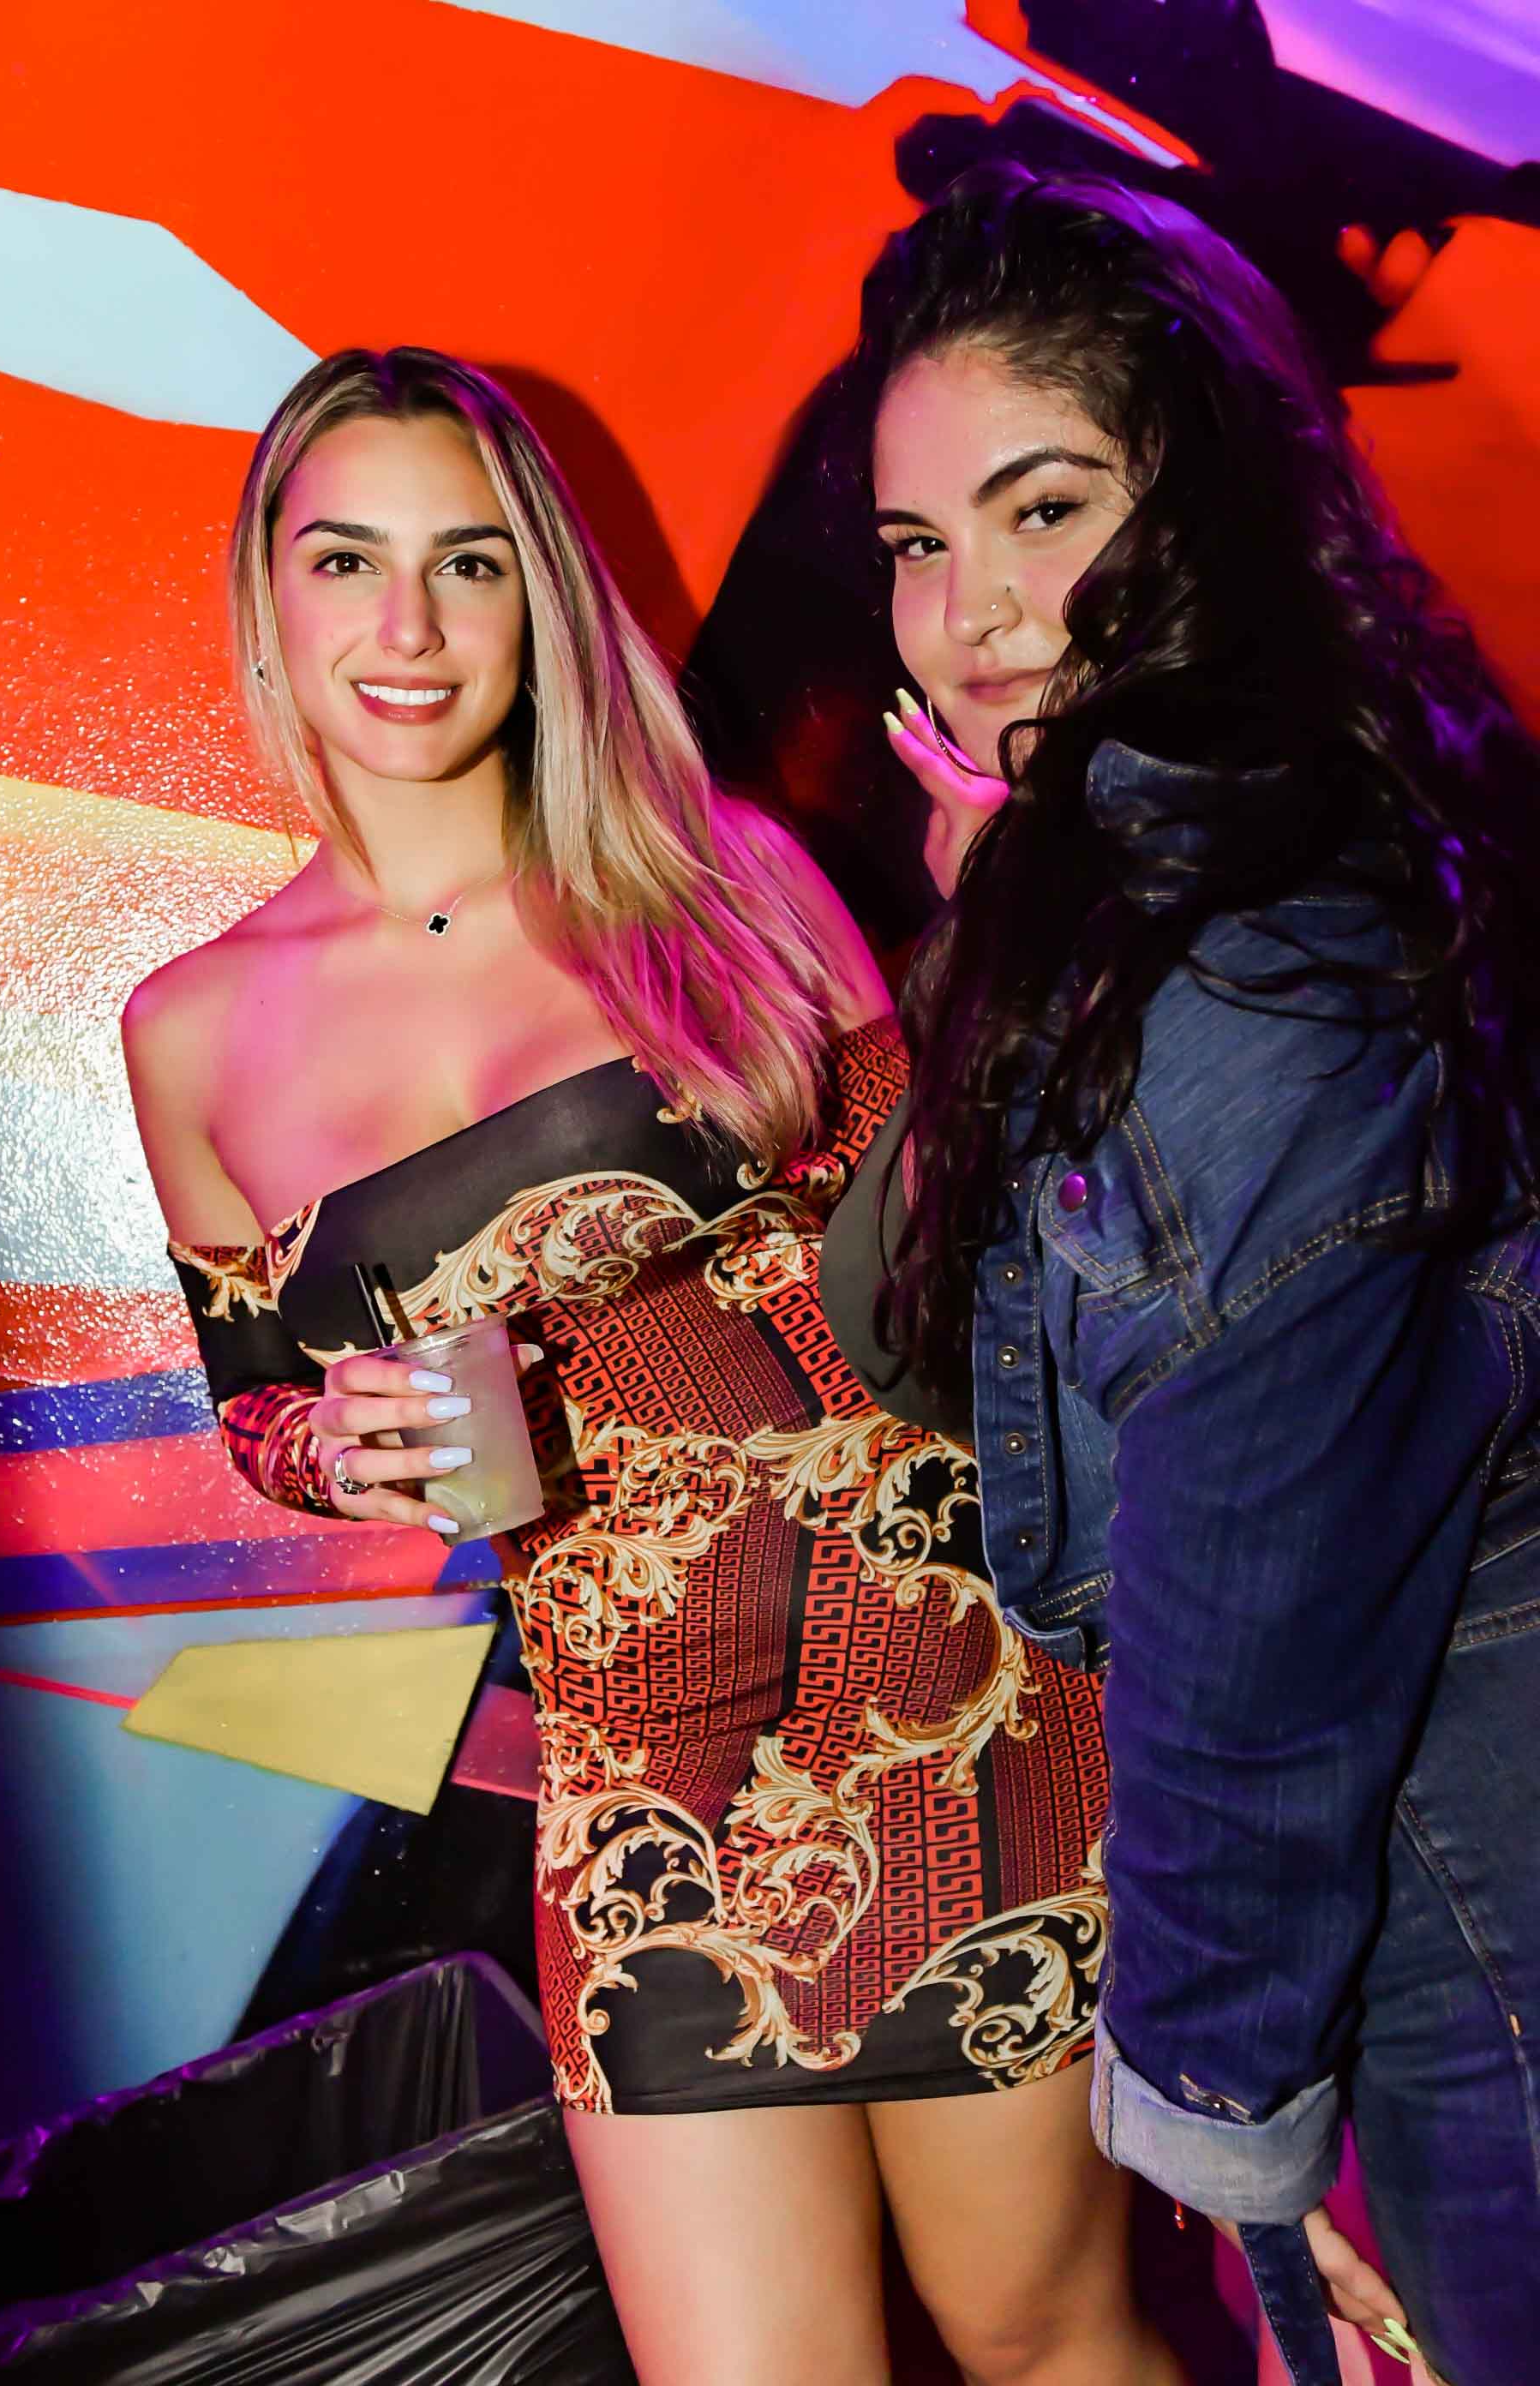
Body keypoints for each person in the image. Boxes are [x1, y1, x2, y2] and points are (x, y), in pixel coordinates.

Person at [122, 346, 1183, 2386]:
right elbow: (250, 1398)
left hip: (945, 1695)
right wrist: (342, 1452)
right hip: (641, 1781)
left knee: (1042, 2335)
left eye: (469, 563)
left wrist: (997, 946)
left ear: (539, 594)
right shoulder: (189, 1026)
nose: (409, 626)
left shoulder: (720, 877)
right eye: (348, 560)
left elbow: (941, 1264)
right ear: (271, 591)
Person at [822, 164, 1540, 2386]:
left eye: (1042, 510)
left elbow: (1251, 1604)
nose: (970, 613)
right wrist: (996, 918)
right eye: (918, 545)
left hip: (1457, 1881)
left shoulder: (1243, 942)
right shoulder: (1196, 868)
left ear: (1201, 499)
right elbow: (938, 1321)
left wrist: (1231, 2105)